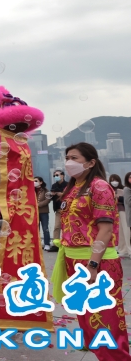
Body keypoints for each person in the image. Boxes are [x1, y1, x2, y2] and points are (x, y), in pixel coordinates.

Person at [54, 143, 131, 360]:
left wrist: (93, 265)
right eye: (67, 158)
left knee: (105, 319)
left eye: (74, 158)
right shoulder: (73, 188)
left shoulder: (99, 187)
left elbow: (105, 230)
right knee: (86, 315)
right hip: (73, 260)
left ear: (90, 162)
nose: (69, 162)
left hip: (97, 262)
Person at [109, 174, 131, 258]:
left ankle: (129, 249)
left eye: (116, 180)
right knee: (120, 231)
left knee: (126, 230)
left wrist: (119, 197)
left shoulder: (124, 188)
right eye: (112, 180)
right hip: (114, 212)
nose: (114, 182)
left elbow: (126, 200)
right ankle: (122, 249)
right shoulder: (109, 189)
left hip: (123, 210)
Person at [49, 169, 67, 251]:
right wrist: (52, 195)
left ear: (62, 175)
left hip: (67, 209)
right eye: (54, 175)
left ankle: (66, 243)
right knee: (57, 226)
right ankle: (55, 244)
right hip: (58, 209)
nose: (56, 177)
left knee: (66, 227)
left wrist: (62, 194)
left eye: (57, 175)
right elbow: (51, 197)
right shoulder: (54, 185)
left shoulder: (68, 184)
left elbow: (71, 195)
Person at [34, 176, 51, 251]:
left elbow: (48, 200)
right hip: (35, 212)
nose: (34, 182)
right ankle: (37, 244)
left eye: (36, 181)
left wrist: (38, 204)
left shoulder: (46, 190)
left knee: (45, 228)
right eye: (33, 181)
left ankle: (47, 244)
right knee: (36, 229)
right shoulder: (31, 190)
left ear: (41, 182)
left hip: (44, 212)